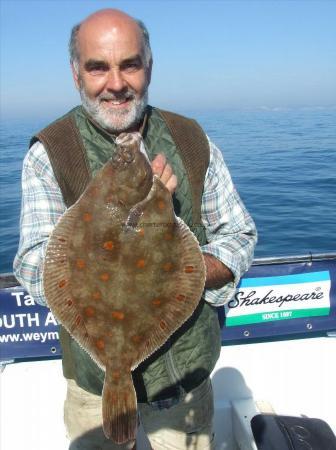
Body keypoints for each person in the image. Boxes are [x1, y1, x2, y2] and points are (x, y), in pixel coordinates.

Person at [14, 8, 257, 450]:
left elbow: (239, 238)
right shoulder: (50, 152)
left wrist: (166, 240)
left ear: (149, 67)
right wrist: (114, 227)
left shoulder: (191, 139)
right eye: (97, 67)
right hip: (96, 388)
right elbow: (33, 266)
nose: (116, 83)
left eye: (129, 63)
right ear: (76, 75)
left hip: (184, 384)